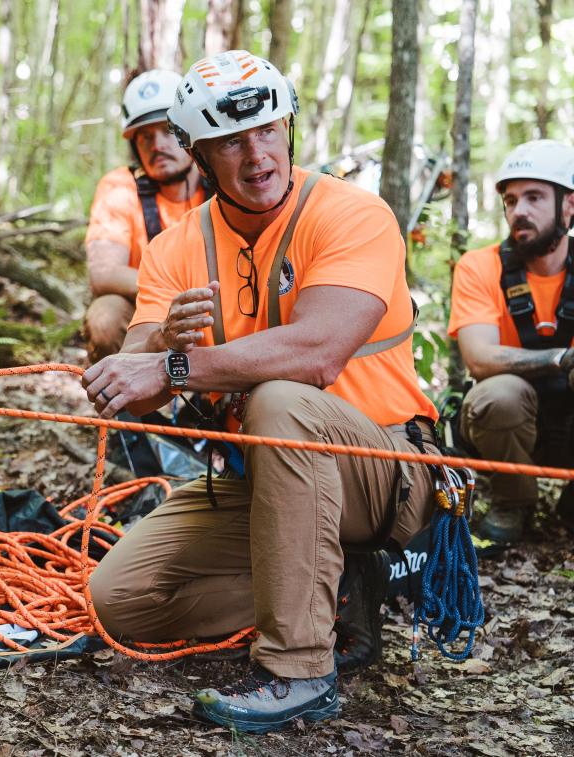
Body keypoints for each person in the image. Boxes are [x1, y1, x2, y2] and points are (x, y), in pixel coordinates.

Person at [81, 50, 439, 733]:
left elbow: (317, 351)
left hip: (387, 466)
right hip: (269, 477)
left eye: (269, 131)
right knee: (119, 599)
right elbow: (134, 377)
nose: (256, 156)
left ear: (289, 129)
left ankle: (299, 666)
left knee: (279, 398)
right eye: (231, 142)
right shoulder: (174, 248)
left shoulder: (353, 215)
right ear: (200, 155)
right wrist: (158, 345)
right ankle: (329, 585)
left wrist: (177, 368)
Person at [447, 139, 574, 543]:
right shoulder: (479, 266)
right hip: (505, 422)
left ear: (569, 204)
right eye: (512, 200)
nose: (519, 211)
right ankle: (514, 499)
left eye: (535, 197)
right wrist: (560, 358)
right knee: (498, 393)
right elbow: (480, 358)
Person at [82, 69, 208, 364]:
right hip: (143, 304)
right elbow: (104, 273)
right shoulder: (119, 186)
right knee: (105, 316)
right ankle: (126, 405)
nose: (157, 145)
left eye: (166, 131)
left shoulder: (219, 180)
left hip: (219, 301)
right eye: (144, 137)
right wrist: (179, 294)